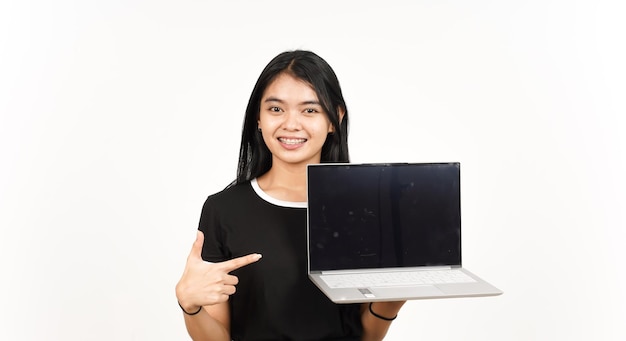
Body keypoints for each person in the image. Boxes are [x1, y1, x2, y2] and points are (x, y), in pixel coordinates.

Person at [175, 50, 406, 341]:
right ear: (258, 117)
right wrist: (190, 306)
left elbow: (365, 336)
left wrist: (391, 302)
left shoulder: (362, 208)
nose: (291, 124)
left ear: (335, 118)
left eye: (309, 110)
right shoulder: (224, 210)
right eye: (276, 109)